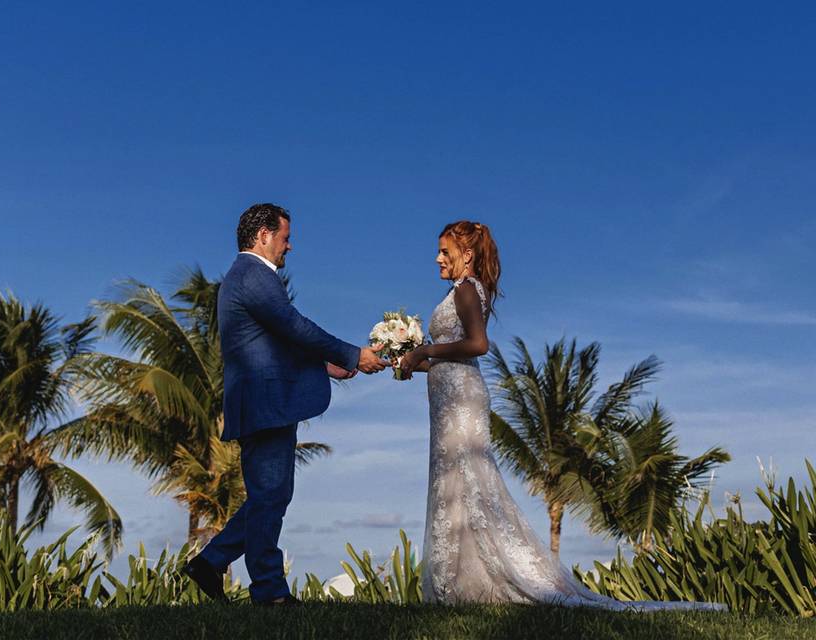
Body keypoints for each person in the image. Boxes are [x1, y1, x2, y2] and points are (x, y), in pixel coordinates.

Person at [398, 220, 724, 611]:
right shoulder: (458, 291)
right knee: (452, 481)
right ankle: (464, 582)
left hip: (462, 401)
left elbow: (477, 344)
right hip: (448, 397)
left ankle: (485, 580)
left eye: (444, 251)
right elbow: (450, 354)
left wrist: (426, 352)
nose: (437, 258)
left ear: (466, 255)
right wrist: (405, 361)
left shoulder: (467, 290)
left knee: (469, 480)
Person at [184, 203, 388, 606]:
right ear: (263, 235)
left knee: (271, 495)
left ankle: (215, 563)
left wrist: (327, 365)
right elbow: (294, 325)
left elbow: (276, 341)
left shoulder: (245, 278)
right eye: (284, 237)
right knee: (270, 496)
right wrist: (353, 355)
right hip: (266, 404)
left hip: (265, 402)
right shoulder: (253, 275)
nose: (288, 246)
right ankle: (267, 590)